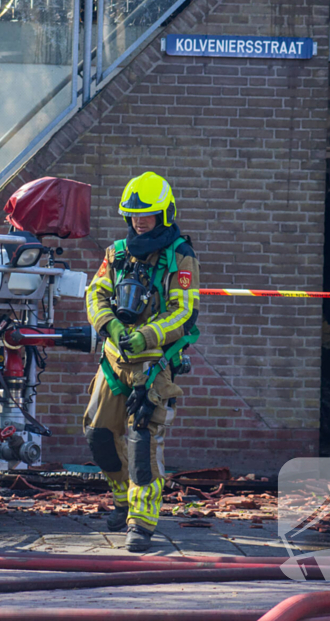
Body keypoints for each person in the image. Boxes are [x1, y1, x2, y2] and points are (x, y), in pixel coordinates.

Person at [83, 171, 200, 552]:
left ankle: (141, 524)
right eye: (133, 214)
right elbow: (95, 295)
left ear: (164, 214)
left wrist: (146, 336)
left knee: (142, 446)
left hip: (153, 366)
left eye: (147, 214)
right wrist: (112, 328)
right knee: (98, 435)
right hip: (113, 361)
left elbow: (184, 312)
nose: (139, 221)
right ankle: (121, 501)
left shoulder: (180, 256)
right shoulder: (116, 253)